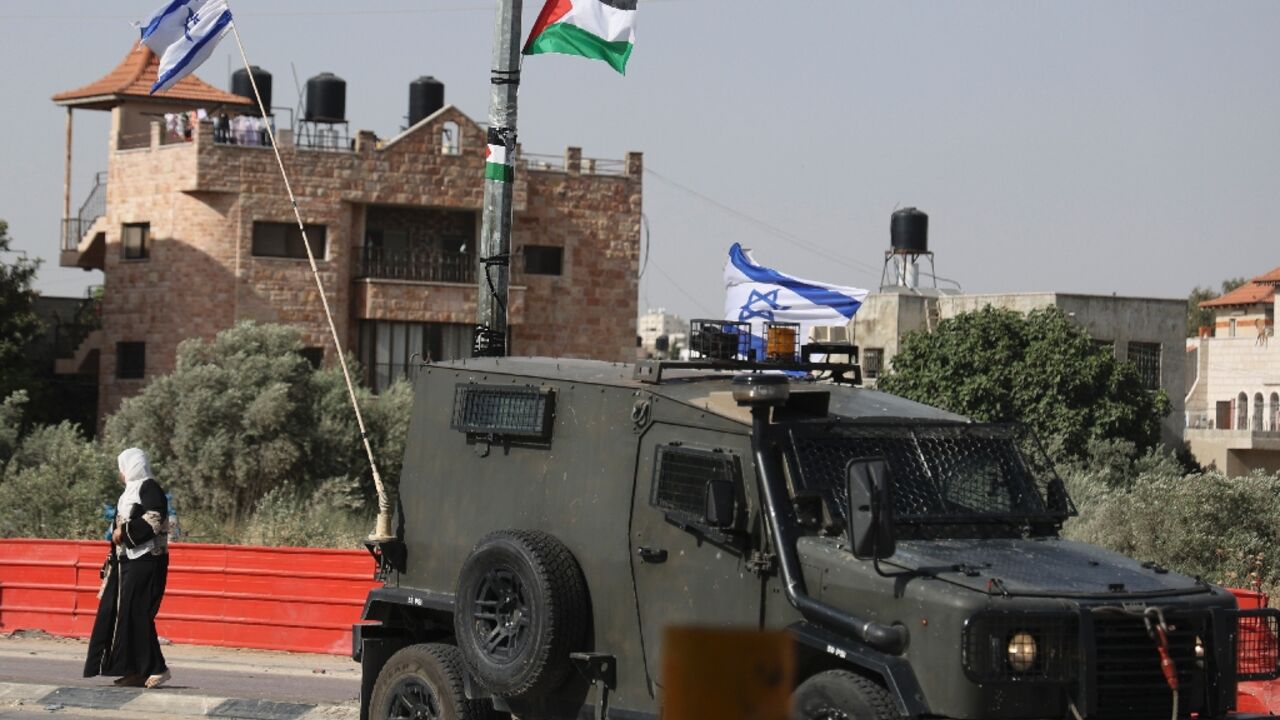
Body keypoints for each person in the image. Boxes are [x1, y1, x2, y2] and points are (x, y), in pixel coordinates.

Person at [83, 448, 171, 689]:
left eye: (123, 467)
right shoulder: (128, 493)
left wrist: (125, 532)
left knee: (138, 614)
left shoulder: (149, 487)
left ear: (132, 466)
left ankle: (157, 668)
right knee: (121, 615)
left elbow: (155, 517)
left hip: (146, 561)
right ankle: (134, 670)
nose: (121, 473)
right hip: (126, 562)